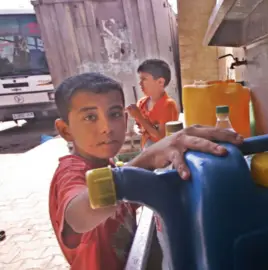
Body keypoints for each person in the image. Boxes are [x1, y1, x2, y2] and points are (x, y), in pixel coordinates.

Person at [49, 72, 243, 270]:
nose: (106, 127)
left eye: (114, 114)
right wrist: (147, 159)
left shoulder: (108, 165)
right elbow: (78, 216)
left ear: (125, 119)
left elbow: (129, 200)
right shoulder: (71, 171)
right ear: (66, 130)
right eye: (90, 117)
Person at [127, 59, 179, 149]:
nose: (140, 83)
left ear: (160, 82)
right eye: (140, 79)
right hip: (146, 149)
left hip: (163, 153)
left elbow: (161, 137)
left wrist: (139, 117)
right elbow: (138, 125)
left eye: (144, 79)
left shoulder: (168, 105)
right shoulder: (142, 103)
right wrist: (137, 128)